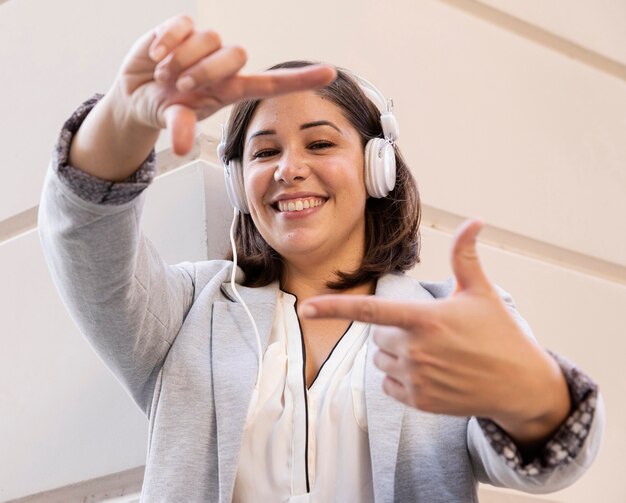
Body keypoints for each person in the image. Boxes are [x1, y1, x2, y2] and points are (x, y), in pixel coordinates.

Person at [38, 14, 603, 503]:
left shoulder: (445, 318)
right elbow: (85, 239)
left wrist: (532, 392)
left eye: (320, 143)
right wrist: (124, 119)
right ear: (239, 184)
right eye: (265, 151)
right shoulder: (187, 315)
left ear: (376, 166)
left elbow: (551, 454)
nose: (288, 167)